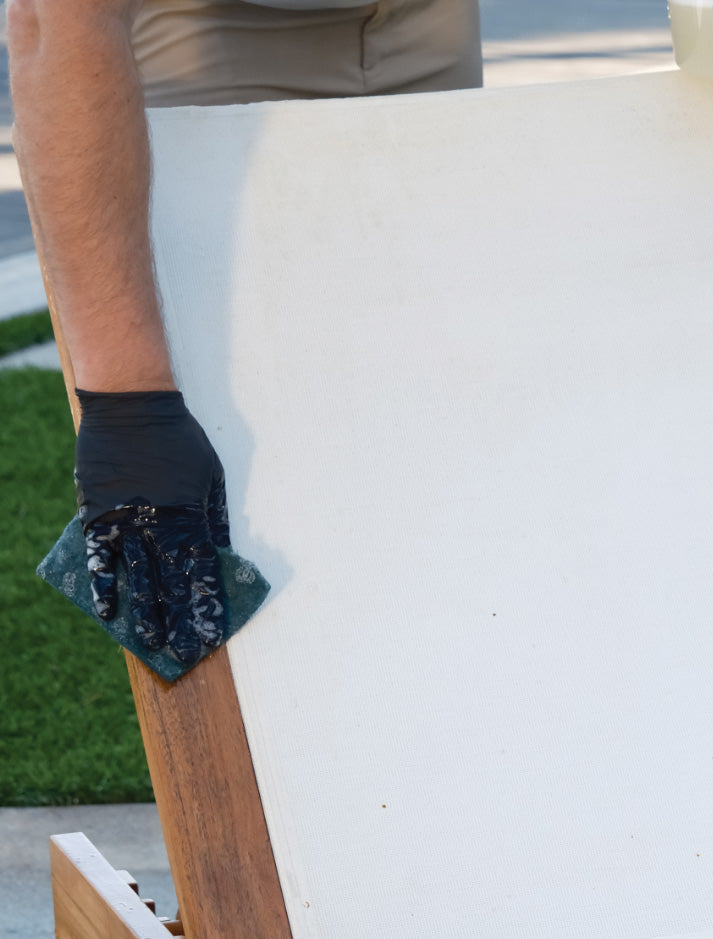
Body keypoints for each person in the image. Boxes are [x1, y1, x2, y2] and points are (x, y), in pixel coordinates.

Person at [6, 0, 481, 664]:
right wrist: (128, 401)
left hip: (429, 22)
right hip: (214, 37)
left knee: (442, 481)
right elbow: (57, 18)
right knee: (271, 607)